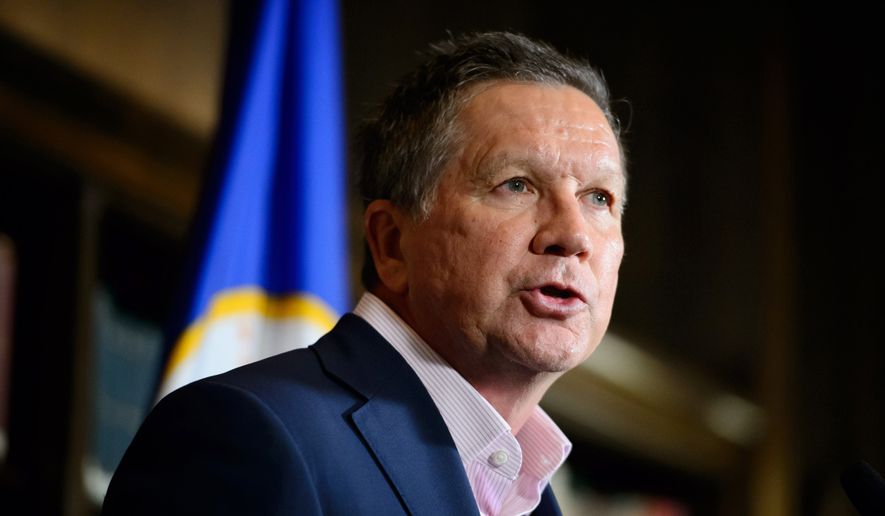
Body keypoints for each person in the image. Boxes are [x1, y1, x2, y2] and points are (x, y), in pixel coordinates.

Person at [102, 30, 626, 516]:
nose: (574, 236)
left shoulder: (531, 496)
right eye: (516, 185)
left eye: (599, 198)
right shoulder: (244, 436)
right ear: (391, 243)